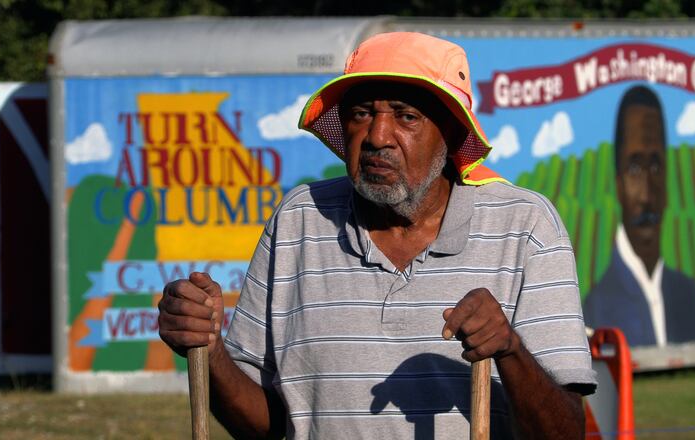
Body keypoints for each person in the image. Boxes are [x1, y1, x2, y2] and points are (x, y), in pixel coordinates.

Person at [159, 32, 596, 439]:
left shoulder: (524, 226)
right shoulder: (300, 220)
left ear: (450, 133)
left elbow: (566, 431)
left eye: (406, 116)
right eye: (362, 113)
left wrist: (509, 350)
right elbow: (268, 426)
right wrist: (210, 349)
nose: (377, 137)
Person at [583, 85, 695, 347]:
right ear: (618, 184)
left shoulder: (688, 295)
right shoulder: (597, 308)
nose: (647, 195)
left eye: (655, 165)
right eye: (635, 167)